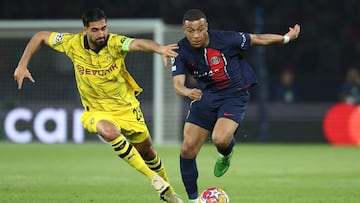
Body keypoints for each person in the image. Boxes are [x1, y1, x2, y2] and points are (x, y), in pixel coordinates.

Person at [13, 8, 184, 203]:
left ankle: (169, 192)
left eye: (104, 28)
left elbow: (138, 44)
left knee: (148, 152)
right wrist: (22, 65)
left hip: (127, 108)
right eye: (96, 30)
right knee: (109, 132)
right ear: (85, 29)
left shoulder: (114, 42)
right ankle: (152, 178)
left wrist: (159, 48)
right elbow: (41, 36)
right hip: (96, 111)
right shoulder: (71, 43)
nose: (102, 34)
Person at [171, 9, 300, 202]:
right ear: (184, 30)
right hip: (205, 96)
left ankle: (226, 154)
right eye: (190, 31)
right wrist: (188, 91)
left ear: (206, 27)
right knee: (187, 149)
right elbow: (177, 85)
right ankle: (193, 200)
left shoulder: (226, 39)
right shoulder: (180, 50)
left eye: (199, 29)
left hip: (234, 95)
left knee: (220, 140)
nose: (195, 35)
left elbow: (257, 39)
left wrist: (286, 39)